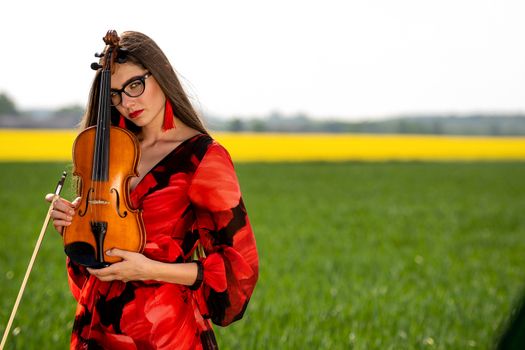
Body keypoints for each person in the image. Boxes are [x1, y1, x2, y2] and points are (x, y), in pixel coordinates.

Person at [46, 30, 259, 350]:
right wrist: (75, 229)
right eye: (115, 94)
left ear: (159, 74)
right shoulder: (108, 152)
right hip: (97, 330)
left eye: (135, 85)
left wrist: (148, 269)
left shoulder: (203, 158)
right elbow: (89, 277)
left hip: (166, 332)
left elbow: (235, 269)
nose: (127, 103)